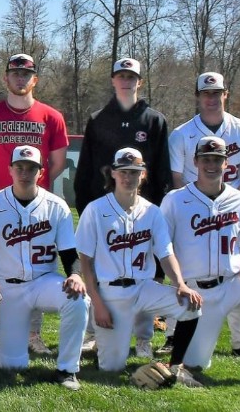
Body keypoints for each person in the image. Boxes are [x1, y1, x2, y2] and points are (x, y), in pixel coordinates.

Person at [163, 137, 240, 390]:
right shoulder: (175, 200)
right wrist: (177, 283)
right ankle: (188, 356)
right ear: (195, 161)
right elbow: (162, 247)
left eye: (217, 159)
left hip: (233, 283)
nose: (211, 164)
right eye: (206, 159)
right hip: (197, 292)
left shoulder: (239, 199)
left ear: (226, 163)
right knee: (195, 364)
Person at [75, 147, 204, 386]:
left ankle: (176, 366)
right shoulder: (95, 210)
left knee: (189, 305)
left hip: (144, 287)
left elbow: (166, 254)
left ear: (142, 174)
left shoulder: (152, 212)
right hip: (111, 293)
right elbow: (86, 263)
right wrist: (98, 303)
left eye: (134, 172)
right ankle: (105, 346)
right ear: (113, 173)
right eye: (123, 171)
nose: (127, 177)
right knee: (111, 368)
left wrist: (181, 285)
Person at [74, 57, 172, 357]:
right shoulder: (98, 118)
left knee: (145, 273)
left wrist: (157, 214)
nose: (126, 80)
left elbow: (163, 173)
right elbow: (86, 170)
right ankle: (93, 333)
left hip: (143, 212)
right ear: (113, 80)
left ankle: (143, 338)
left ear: (139, 81)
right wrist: (85, 209)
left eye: (132, 76)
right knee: (101, 273)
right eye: (121, 75)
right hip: (103, 213)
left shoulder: (153, 120)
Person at [166, 72, 240, 359]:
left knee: (234, 270)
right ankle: (173, 334)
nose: (211, 98)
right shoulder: (182, 134)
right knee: (183, 270)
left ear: (225, 94)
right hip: (191, 207)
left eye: (216, 92)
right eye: (205, 93)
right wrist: (200, 203)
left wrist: (230, 205)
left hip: (231, 208)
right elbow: (176, 177)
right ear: (198, 96)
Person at [0, 145, 88, 390]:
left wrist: (76, 275)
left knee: (77, 298)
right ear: (10, 170)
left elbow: (69, 252)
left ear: (41, 172)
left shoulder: (57, 206)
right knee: (11, 366)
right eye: (20, 167)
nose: (25, 172)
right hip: (6, 286)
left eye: (31, 168)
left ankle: (67, 370)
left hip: (43, 282)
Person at [0, 54, 69, 194]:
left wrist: (38, 184)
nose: (20, 78)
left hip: (37, 199)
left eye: (26, 74)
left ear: (35, 80)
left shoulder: (53, 117)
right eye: (15, 74)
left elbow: (58, 164)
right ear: (6, 79)